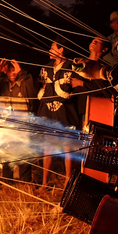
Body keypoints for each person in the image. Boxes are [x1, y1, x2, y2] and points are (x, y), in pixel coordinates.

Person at [36, 41, 84, 187]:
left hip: (65, 113)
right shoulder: (46, 68)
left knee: (67, 149)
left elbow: (77, 87)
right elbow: (43, 88)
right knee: (48, 148)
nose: (50, 50)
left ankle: (67, 183)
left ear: (62, 50)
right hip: (49, 112)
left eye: (53, 47)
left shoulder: (73, 67)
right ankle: (45, 183)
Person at [0, 57, 38, 181]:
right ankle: (8, 180)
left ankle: (26, 180)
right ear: (5, 71)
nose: (12, 73)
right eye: (9, 70)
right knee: (7, 152)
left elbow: (33, 93)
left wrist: (22, 73)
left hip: (23, 124)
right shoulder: (2, 84)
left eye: (14, 70)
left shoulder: (24, 83)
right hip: (6, 124)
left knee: (24, 152)